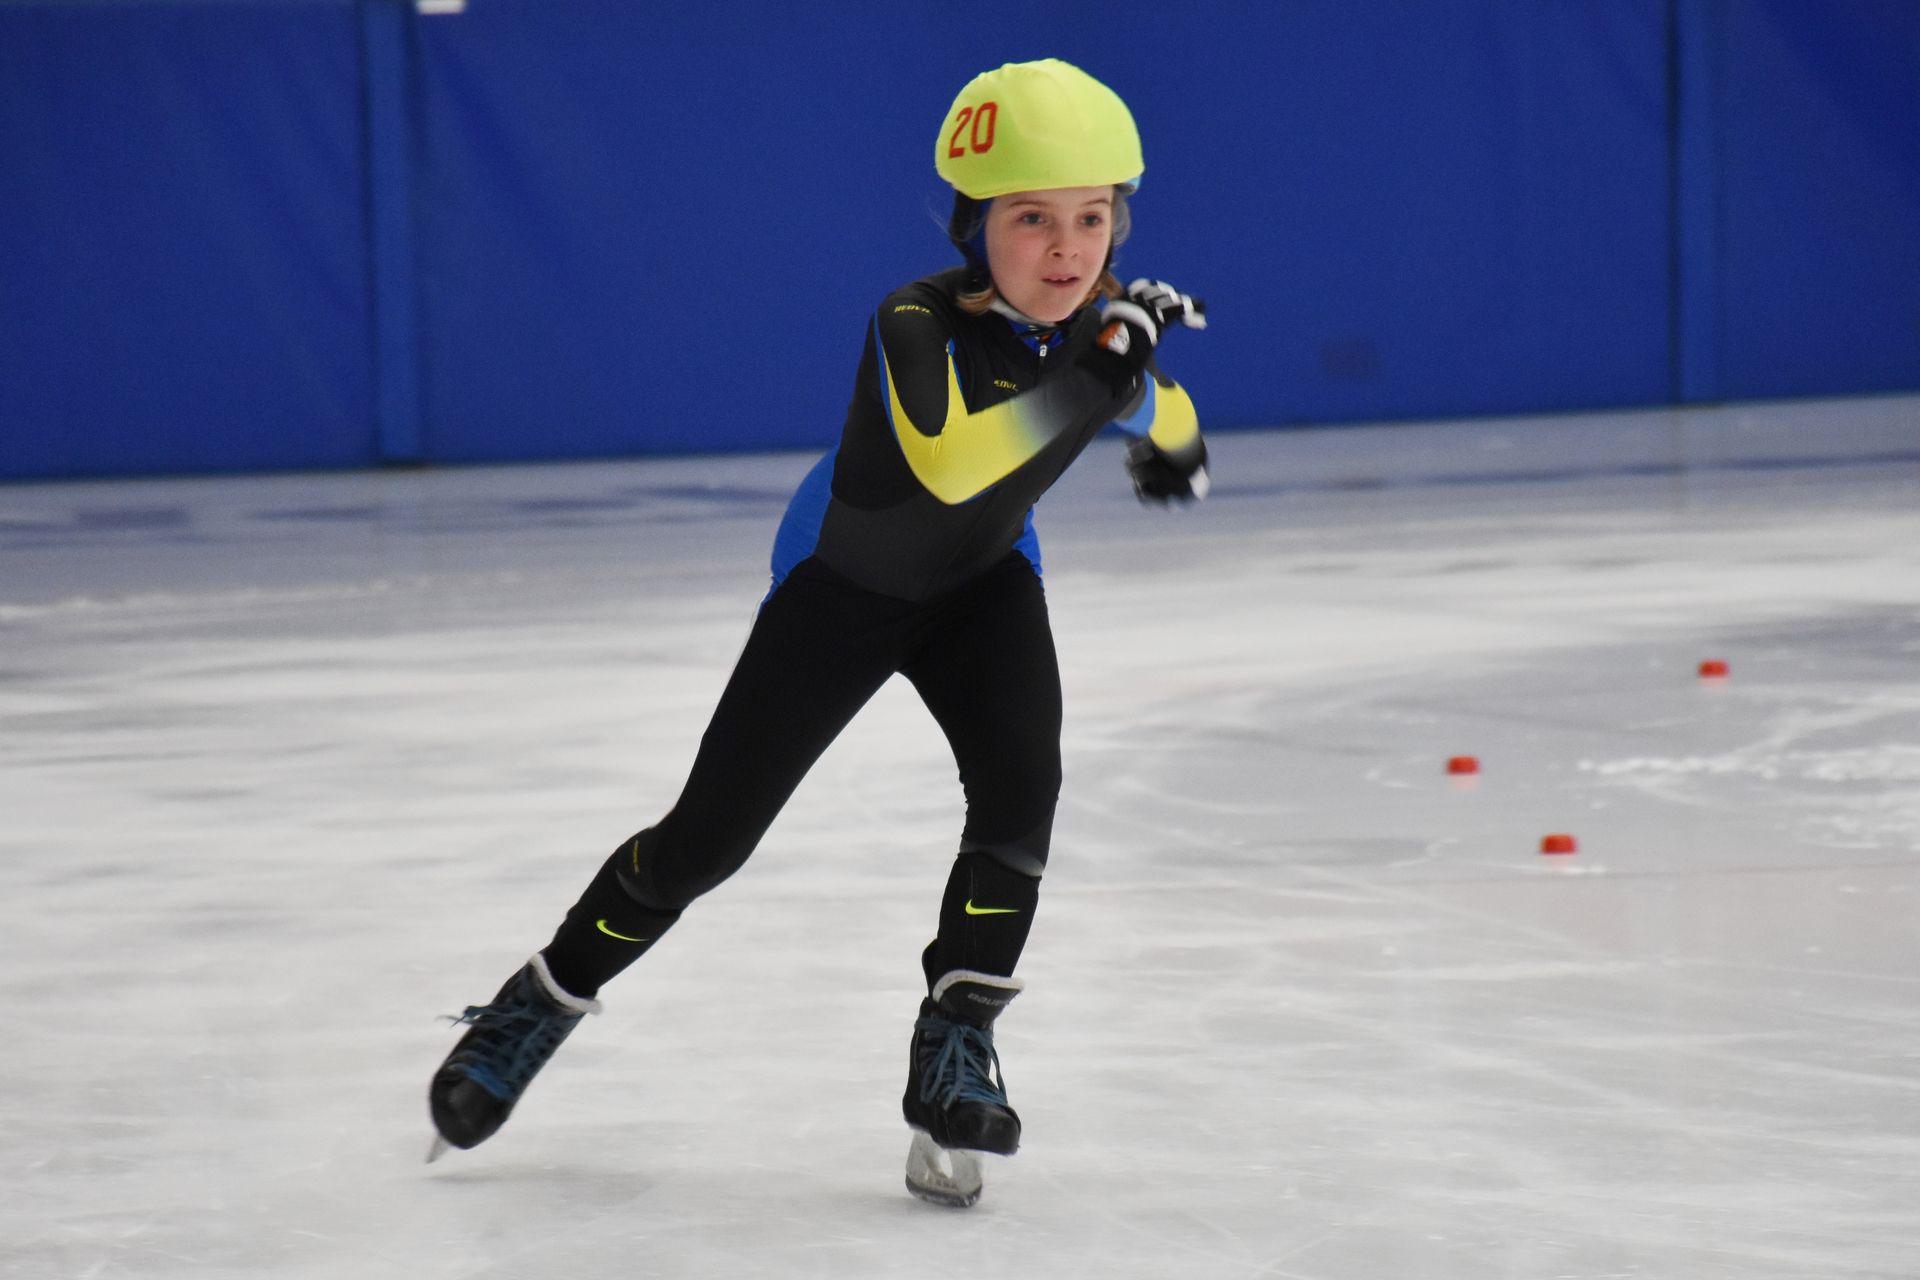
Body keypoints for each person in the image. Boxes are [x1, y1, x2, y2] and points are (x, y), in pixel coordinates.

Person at [426, 57, 1210, 1208]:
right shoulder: (912, 321)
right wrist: (1109, 372)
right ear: (973, 224)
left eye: (1091, 218)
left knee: (1021, 793)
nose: (1066, 249)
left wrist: (1175, 444)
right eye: (1031, 218)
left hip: (986, 583)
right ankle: (538, 999)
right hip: (844, 588)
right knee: (704, 843)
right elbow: (959, 460)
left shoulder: (1093, 339)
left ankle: (956, 1043)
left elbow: (1152, 401)